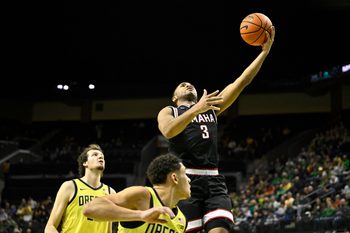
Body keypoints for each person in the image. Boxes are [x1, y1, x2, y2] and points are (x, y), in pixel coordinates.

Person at [157, 28, 275, 233]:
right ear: (174, 97)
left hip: (213, 181)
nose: (187, 85)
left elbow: (241, 82)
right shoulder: (169, 110)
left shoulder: (211, 106)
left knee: (220, 230)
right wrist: (196, 109)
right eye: (182, 85)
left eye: (190, 84)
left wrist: (264, 53)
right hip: (185, 182)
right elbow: (168, 131)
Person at [83, 153, 191, 233]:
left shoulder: (182, 220)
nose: (189, 179)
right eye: (185, 174)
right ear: (174, 178)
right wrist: (141, 215)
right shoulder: (143, 195)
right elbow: (91, 208)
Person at [45, 144, 116, 233]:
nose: (100, 157)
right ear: (85, 163)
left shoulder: (111, 193)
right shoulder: (70, 187)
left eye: (102, 156)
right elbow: (50, 227)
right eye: (95, 155)